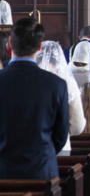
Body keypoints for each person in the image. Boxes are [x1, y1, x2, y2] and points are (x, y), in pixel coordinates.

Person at [0, 17, 69, 179]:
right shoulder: (56, 84)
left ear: (9, 42)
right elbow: (60, 135)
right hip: (41, 171)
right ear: (40, 46)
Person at [37, 41, 86, 152]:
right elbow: (77, 125)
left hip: (32, 147)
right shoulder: (67, 83)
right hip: (60, 146)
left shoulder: (30, 80)